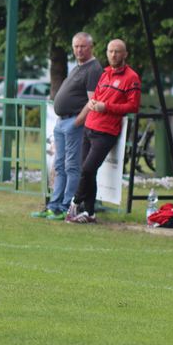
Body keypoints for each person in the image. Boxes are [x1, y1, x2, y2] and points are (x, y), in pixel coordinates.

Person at [66, 38, 140, 224]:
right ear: (106, 53)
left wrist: (105, 107)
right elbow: (97, 96)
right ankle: (90, 213)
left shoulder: (132, 77)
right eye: (110, 51)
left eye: (117, 51)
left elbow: (133, 106)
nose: (114, 55)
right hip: (90, 127)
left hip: (106, 131)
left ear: (125, 54)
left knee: (87, 169)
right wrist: (92, 103)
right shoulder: (105, 72)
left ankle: (75, 203)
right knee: (89, 173)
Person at [32, 32, 101, 220]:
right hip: (62, 121)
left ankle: (66, 206)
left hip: (73, 123)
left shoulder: (93, 68)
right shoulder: (78, 67)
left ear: (91, 47)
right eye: (76, 46)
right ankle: (53, 205)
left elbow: (93, 100)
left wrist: (77, 122)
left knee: (72, 166)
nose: (79, 50)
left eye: (83, 46)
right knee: (60, 166)